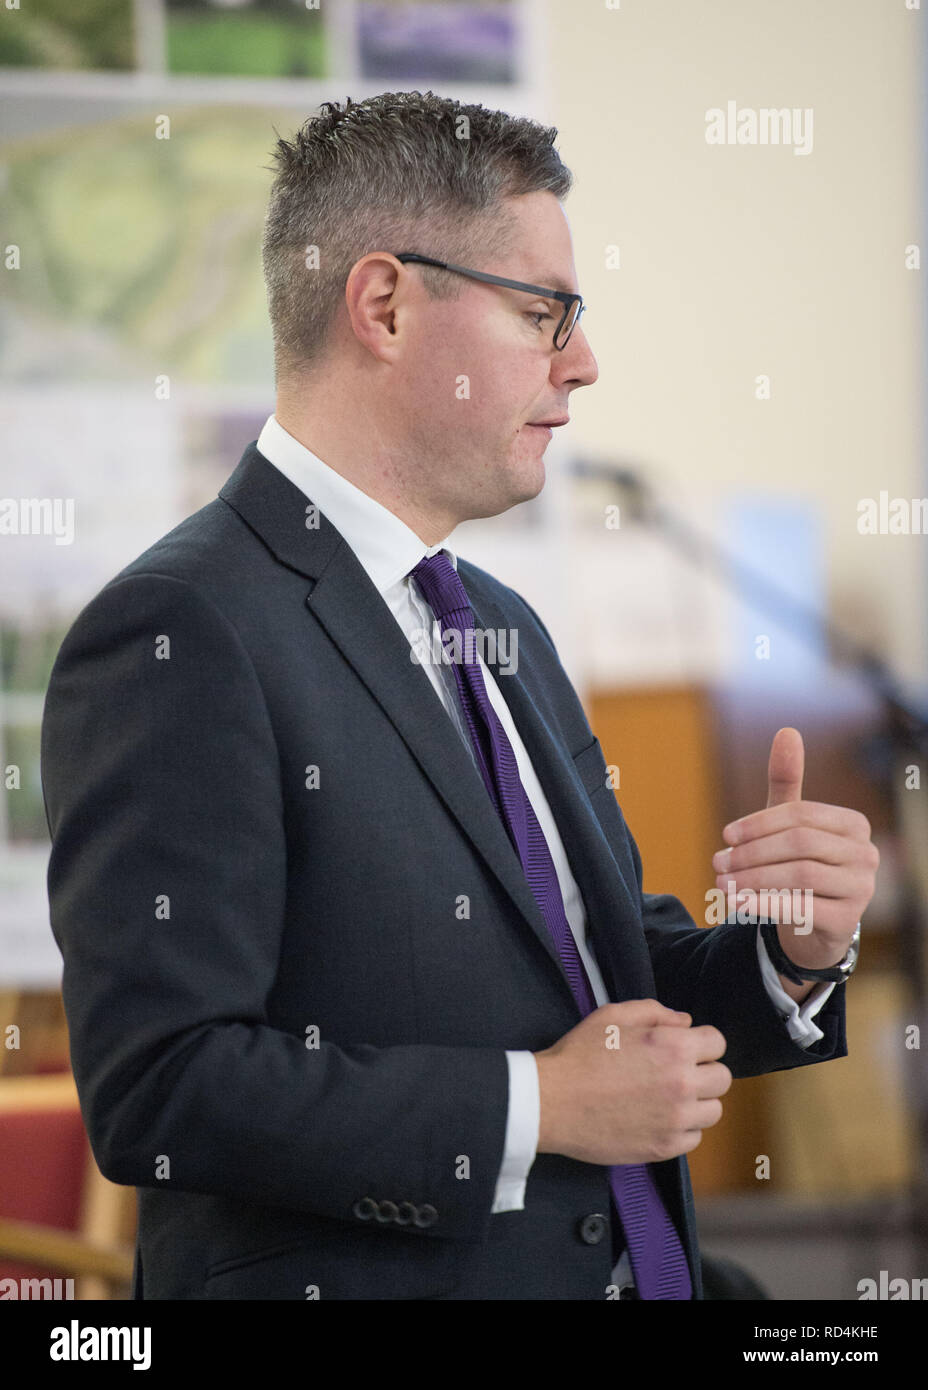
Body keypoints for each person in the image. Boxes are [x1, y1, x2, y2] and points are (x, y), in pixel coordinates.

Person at [40, 91, 878, 1301]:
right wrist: (540, 1103)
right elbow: (163, 1087)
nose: (582, 362)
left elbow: (605, 977)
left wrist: (791, 953)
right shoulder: (181, 627)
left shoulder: (497, 620)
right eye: (544, 312)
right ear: (383, 304)